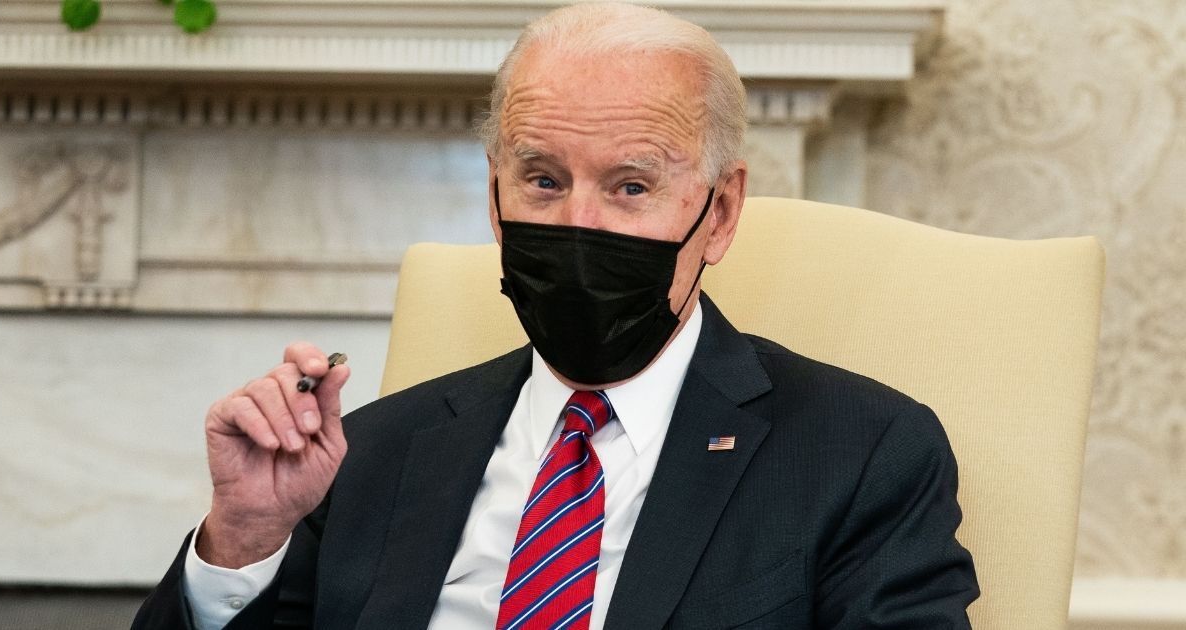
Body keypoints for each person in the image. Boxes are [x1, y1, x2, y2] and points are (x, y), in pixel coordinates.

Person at [133, 3, 979, 629]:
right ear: (496, 203)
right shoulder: (369, 456)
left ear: (719, 214)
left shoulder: (859, 453)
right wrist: (242, 541)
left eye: (631, 186)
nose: (578, 226)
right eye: (542, 180)